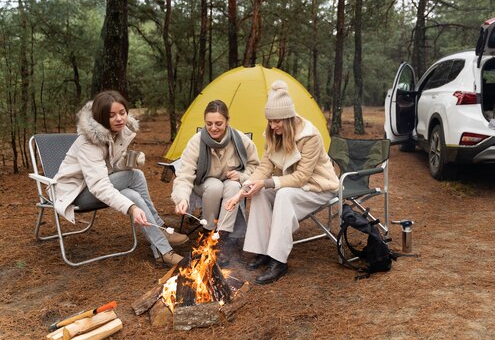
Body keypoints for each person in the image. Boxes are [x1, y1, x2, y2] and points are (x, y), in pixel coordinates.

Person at [53, 90, 189, 266]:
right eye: (112, 115)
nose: (119, 118)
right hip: (75, 193)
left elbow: (110, 167)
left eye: (122, 113)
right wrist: (131, 209)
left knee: (133, 195)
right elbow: (99, 185)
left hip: (93, 185)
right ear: (101, 117)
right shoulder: (89, 142)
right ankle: (161, 230)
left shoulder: (117, 133)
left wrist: (126, 162)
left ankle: (162, 251)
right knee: (136, 177)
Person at [225, 80, 339, 284]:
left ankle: (278, 260)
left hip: (318, 187)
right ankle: (263, 251)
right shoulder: (272, 135)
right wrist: (241, 192)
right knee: (259, 192)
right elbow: (264, 169)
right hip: (290, 186)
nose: (272, 125)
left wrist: (267, 183)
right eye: (270, 121)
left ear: (289, 117)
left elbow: (301, 177)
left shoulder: (310, 136)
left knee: (283, 194)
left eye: (277, 121)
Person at [170, 99, 260, 265]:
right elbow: (184, 175)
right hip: (203, 184)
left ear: (227, 121)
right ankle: (208, 232)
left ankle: (222, 239)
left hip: (230, 184)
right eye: (209, 123)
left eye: (218, 123)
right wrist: (181, 198)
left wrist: (242, 176)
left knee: (233, 186)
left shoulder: (240, 139)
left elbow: (256, 166)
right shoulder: (196, 141)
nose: (213, 128)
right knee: (214, 186)